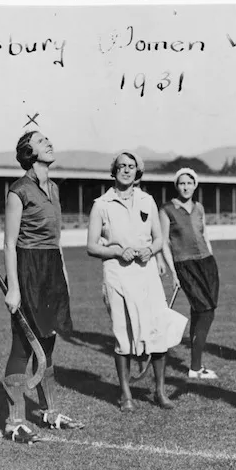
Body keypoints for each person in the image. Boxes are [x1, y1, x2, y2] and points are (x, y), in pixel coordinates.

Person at [87, 152, 185, 411]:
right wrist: (117, 251)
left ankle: (160, 392)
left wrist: (150, 251)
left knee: (157, 332)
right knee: (124, 335)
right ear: (114, 171)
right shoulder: (101, 204)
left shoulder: (147, 200)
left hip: (146, 274)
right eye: (121, 167)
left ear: (137, 172)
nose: (126, 171)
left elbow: (158, 239)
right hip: (117, 275)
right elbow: (91, 246)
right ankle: (126, 394)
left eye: (131, 167)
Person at [2, 131, 83, 443]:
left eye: (49, 138)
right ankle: (14, 421)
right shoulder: (18, 191)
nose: (49, 142)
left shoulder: (54, 189)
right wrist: (13, 288)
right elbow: (9, 243)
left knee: (47, 344)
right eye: (41, 140)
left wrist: (63, 277)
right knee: (24, 345)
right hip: (28, 268)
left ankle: (51, 413)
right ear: (28, 151)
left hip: (51, 269)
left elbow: (56, 242)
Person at [159, 168, 220, 380]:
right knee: (205, 311)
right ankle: (195, 367)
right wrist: (174, 272)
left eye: (189, 183)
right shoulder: (167, 209)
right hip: (185, 265)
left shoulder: (199, 208)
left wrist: (210, 257)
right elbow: (164, 242)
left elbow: (205, 234)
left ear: (195, 185)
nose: (185, 187)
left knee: (203, 310)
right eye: (181, 183)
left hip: (207, 262)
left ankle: (196, 366)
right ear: (177, 186)